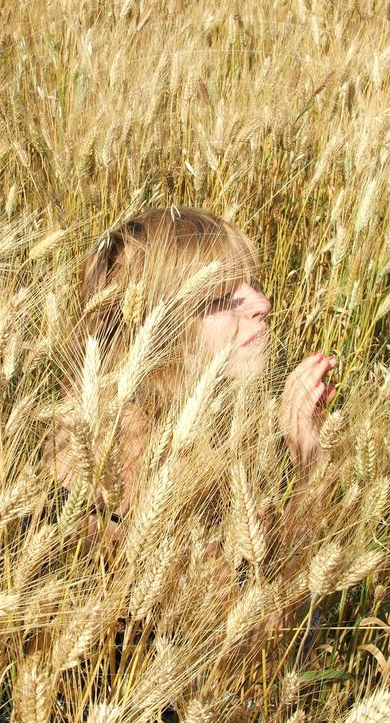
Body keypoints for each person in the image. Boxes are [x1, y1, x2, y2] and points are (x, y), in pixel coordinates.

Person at [44, 205, 338, 550]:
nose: (263, 303)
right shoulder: (116, 451)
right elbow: (254, 603)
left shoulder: (180, 424)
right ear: (157, 325)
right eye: (222, 298)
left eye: (252, 284)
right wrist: (309, 471)